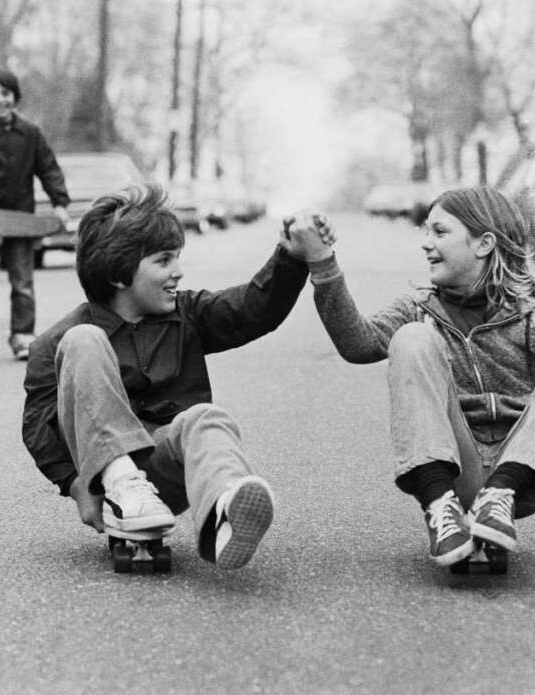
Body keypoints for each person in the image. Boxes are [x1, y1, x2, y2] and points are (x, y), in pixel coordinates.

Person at [287, 186, 535, 567]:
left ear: (484, 244)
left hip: (520, 471)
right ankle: (441, 508)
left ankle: (499, 496)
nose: (426, 243)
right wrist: (322, 263)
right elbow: (357, 344)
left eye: (440, 232)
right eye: (425, 231)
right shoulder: (419, 309)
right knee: (411, 338)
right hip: (453, 466)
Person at [22, 184, 331, 570]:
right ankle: (123, 486)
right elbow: (38, 425)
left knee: (205, 416)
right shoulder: (58, 342)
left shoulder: (189, 314)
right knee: (84, 341)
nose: (178, 272)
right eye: (164, 261)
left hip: (169, 469)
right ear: (120, 273)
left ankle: (224, 512)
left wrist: (291, 255)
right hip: (103, 479)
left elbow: (253, 309)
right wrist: (74, 484)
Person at [0, 68, 71, 363]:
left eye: (5, 94)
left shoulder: (31, 134)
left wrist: (60, 202)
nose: (0, 100)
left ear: (14, 97)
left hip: (22, 219)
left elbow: (48, 169)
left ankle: (22, 336)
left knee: (22, 282)